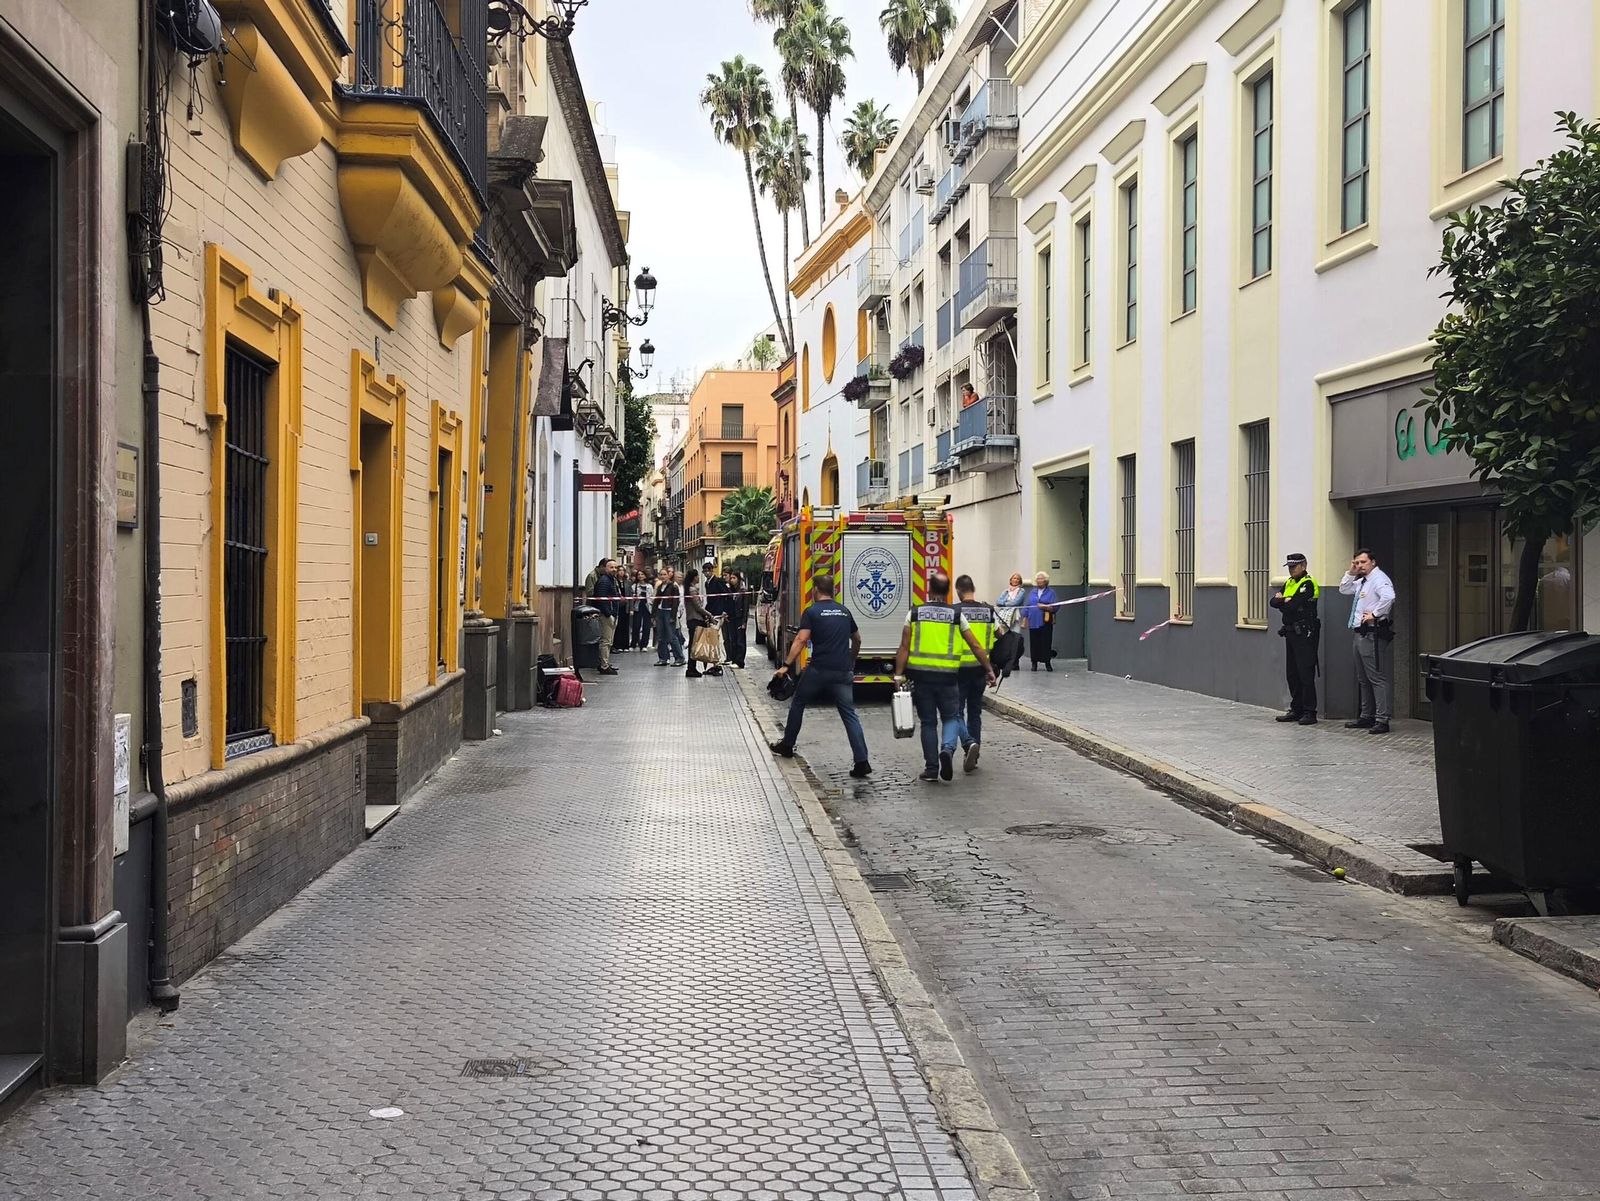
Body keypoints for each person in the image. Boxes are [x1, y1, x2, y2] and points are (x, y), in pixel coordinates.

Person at [893, 571, 997, 783]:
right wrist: (988, 668)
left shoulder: (914, 613)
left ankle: (932, 769)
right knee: (950, 717)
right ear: (949, 591)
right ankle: (947, 750)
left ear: (929, 589)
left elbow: (904, 647)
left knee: (928, 722)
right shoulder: (956, 615)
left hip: (921, 677)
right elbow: (975, 645)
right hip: (949, 677)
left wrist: (898, 675)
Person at [768, 574, 872, 779]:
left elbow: (801, 640)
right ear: (832, 590)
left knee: (798, 702)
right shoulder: (844, 611)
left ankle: (787, 745)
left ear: (816, 589)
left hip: (818, 670)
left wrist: (786, 666)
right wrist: (851, 660)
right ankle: (862, 761)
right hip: (842, 671)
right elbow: (857, 639)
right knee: (849, 714)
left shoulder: (812, 612)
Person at [1339, 548, 1396, 734]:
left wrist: (1375, 614)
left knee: (1376, 677)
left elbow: (1389, 597)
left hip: (1372, 633)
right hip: (1360, 633)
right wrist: (1350, 572)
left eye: (1363, 562)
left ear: (1373, 562)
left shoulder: (1379, 579)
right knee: (1363, 678)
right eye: (1357, 562)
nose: (1360, 566)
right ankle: (1366, 716)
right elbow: (1344, 589)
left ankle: (1382, 719)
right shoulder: (1363, 581)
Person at [1269, 553, 1321, 725]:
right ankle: (1296, 709)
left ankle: (1310, 711)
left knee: (1305, 672)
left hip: (1305, 633)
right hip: (1290, 632)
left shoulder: (1308, 583)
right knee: (1292, 673)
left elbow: (1292, 606)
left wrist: (1283, 601)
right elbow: (1273, 602)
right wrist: (1286, 601)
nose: (1291, 570)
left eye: (1294, 566)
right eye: (1289, 567)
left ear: (1303, 566)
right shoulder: (1290, 582)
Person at [953, 574, 997, 772]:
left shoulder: (955, 611)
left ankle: (968, 743)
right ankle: (974, 754)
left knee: (956, 712)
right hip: (980, 668)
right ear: (973, 589)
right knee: (975, 712)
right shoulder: (988, 611)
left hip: (959, 669)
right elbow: (1000, 635)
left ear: (958, 591)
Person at [683, 567, 722, 679]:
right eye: (697, 576)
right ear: (694, 577)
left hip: (691, 619)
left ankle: (692, 668)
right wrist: (709, 615)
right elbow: (698, 607)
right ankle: (691, 668)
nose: (699, 577)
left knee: (693, 644)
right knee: (694, 645)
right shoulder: (692, 590)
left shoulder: (689, 589)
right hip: (695, 620)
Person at [590, 558, 623, 675]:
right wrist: (608, 614)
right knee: (605, 641)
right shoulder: (604, 581)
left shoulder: (612, 580)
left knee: (609, 641)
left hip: (612, 613)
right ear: (605, 568)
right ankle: (604, 665)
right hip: (606, 615)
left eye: (615, 567)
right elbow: (601, 599)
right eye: (611, 567)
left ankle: (605, 663)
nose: (614, 569)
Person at [1022, 572, 1058, 671]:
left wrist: (1046, 607)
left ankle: (1047, 663)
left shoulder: (1051, 592)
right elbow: (1027, 605)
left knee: (1046, 642)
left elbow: (1056, 606)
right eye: (1038, 579)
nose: (1039, 581)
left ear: (1046, 581)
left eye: (1041, 579)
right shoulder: (1033, 592)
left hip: (1045, 620)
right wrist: (1024, 617)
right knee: (1034, 642)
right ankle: (1034, 663)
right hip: (1033, 620)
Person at [653, 568, 686, 667]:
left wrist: (673, 616)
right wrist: (653, 614)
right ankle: (663, 658)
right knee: (661, 637)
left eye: (664, 574)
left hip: (669, 612)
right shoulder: (660, 587)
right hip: (660, 612)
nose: (663, 576)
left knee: (672, 636)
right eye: (661, 574)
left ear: (668, 575)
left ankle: (680, 658)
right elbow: (656, 601)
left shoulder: (673, 587)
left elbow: (676, 602)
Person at [630, 570, 653, 650]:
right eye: (639, 574)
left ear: (645, 576)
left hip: (647, 607)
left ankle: (644, 645)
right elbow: (631, 598)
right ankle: (633, 643)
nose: (640, 576)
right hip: (638, 606)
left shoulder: (649, 586)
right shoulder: (634, 586)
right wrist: (635, 597)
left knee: (646, 626)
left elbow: (652, 596)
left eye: (642, 574)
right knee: (636, 626)